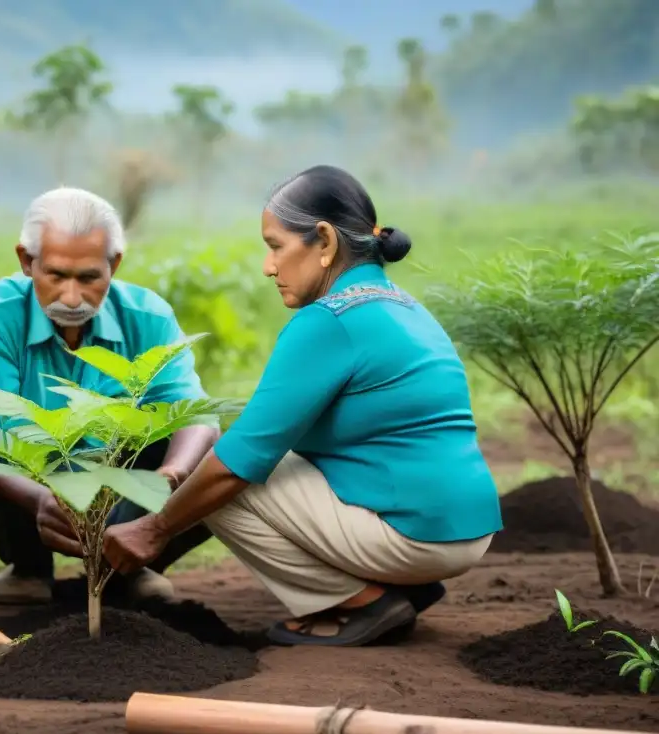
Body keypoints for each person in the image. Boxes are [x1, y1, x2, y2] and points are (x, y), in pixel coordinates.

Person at [95, 165, 503, 647]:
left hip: (418, 538)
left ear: (325, 242)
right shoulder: (402, 305)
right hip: (465, 525)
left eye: (276, 246)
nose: (269, 267)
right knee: (258, 460)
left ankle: (358, 600)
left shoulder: (329, 321)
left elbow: (236, 463)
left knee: (223, 475)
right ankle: (398, 583)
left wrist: (156, 528)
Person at [0, 186, 218, 604]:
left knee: (217, 469)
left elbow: (196, 417)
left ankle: (130, 568)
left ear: (114, 264)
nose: (72, 299)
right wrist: (41, 498)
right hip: (30, 484)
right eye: (55, 275)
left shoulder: (148, 318)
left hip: (124, 486)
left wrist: (171, 479)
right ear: (26, 261)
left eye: (90, 277)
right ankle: (29, 567)